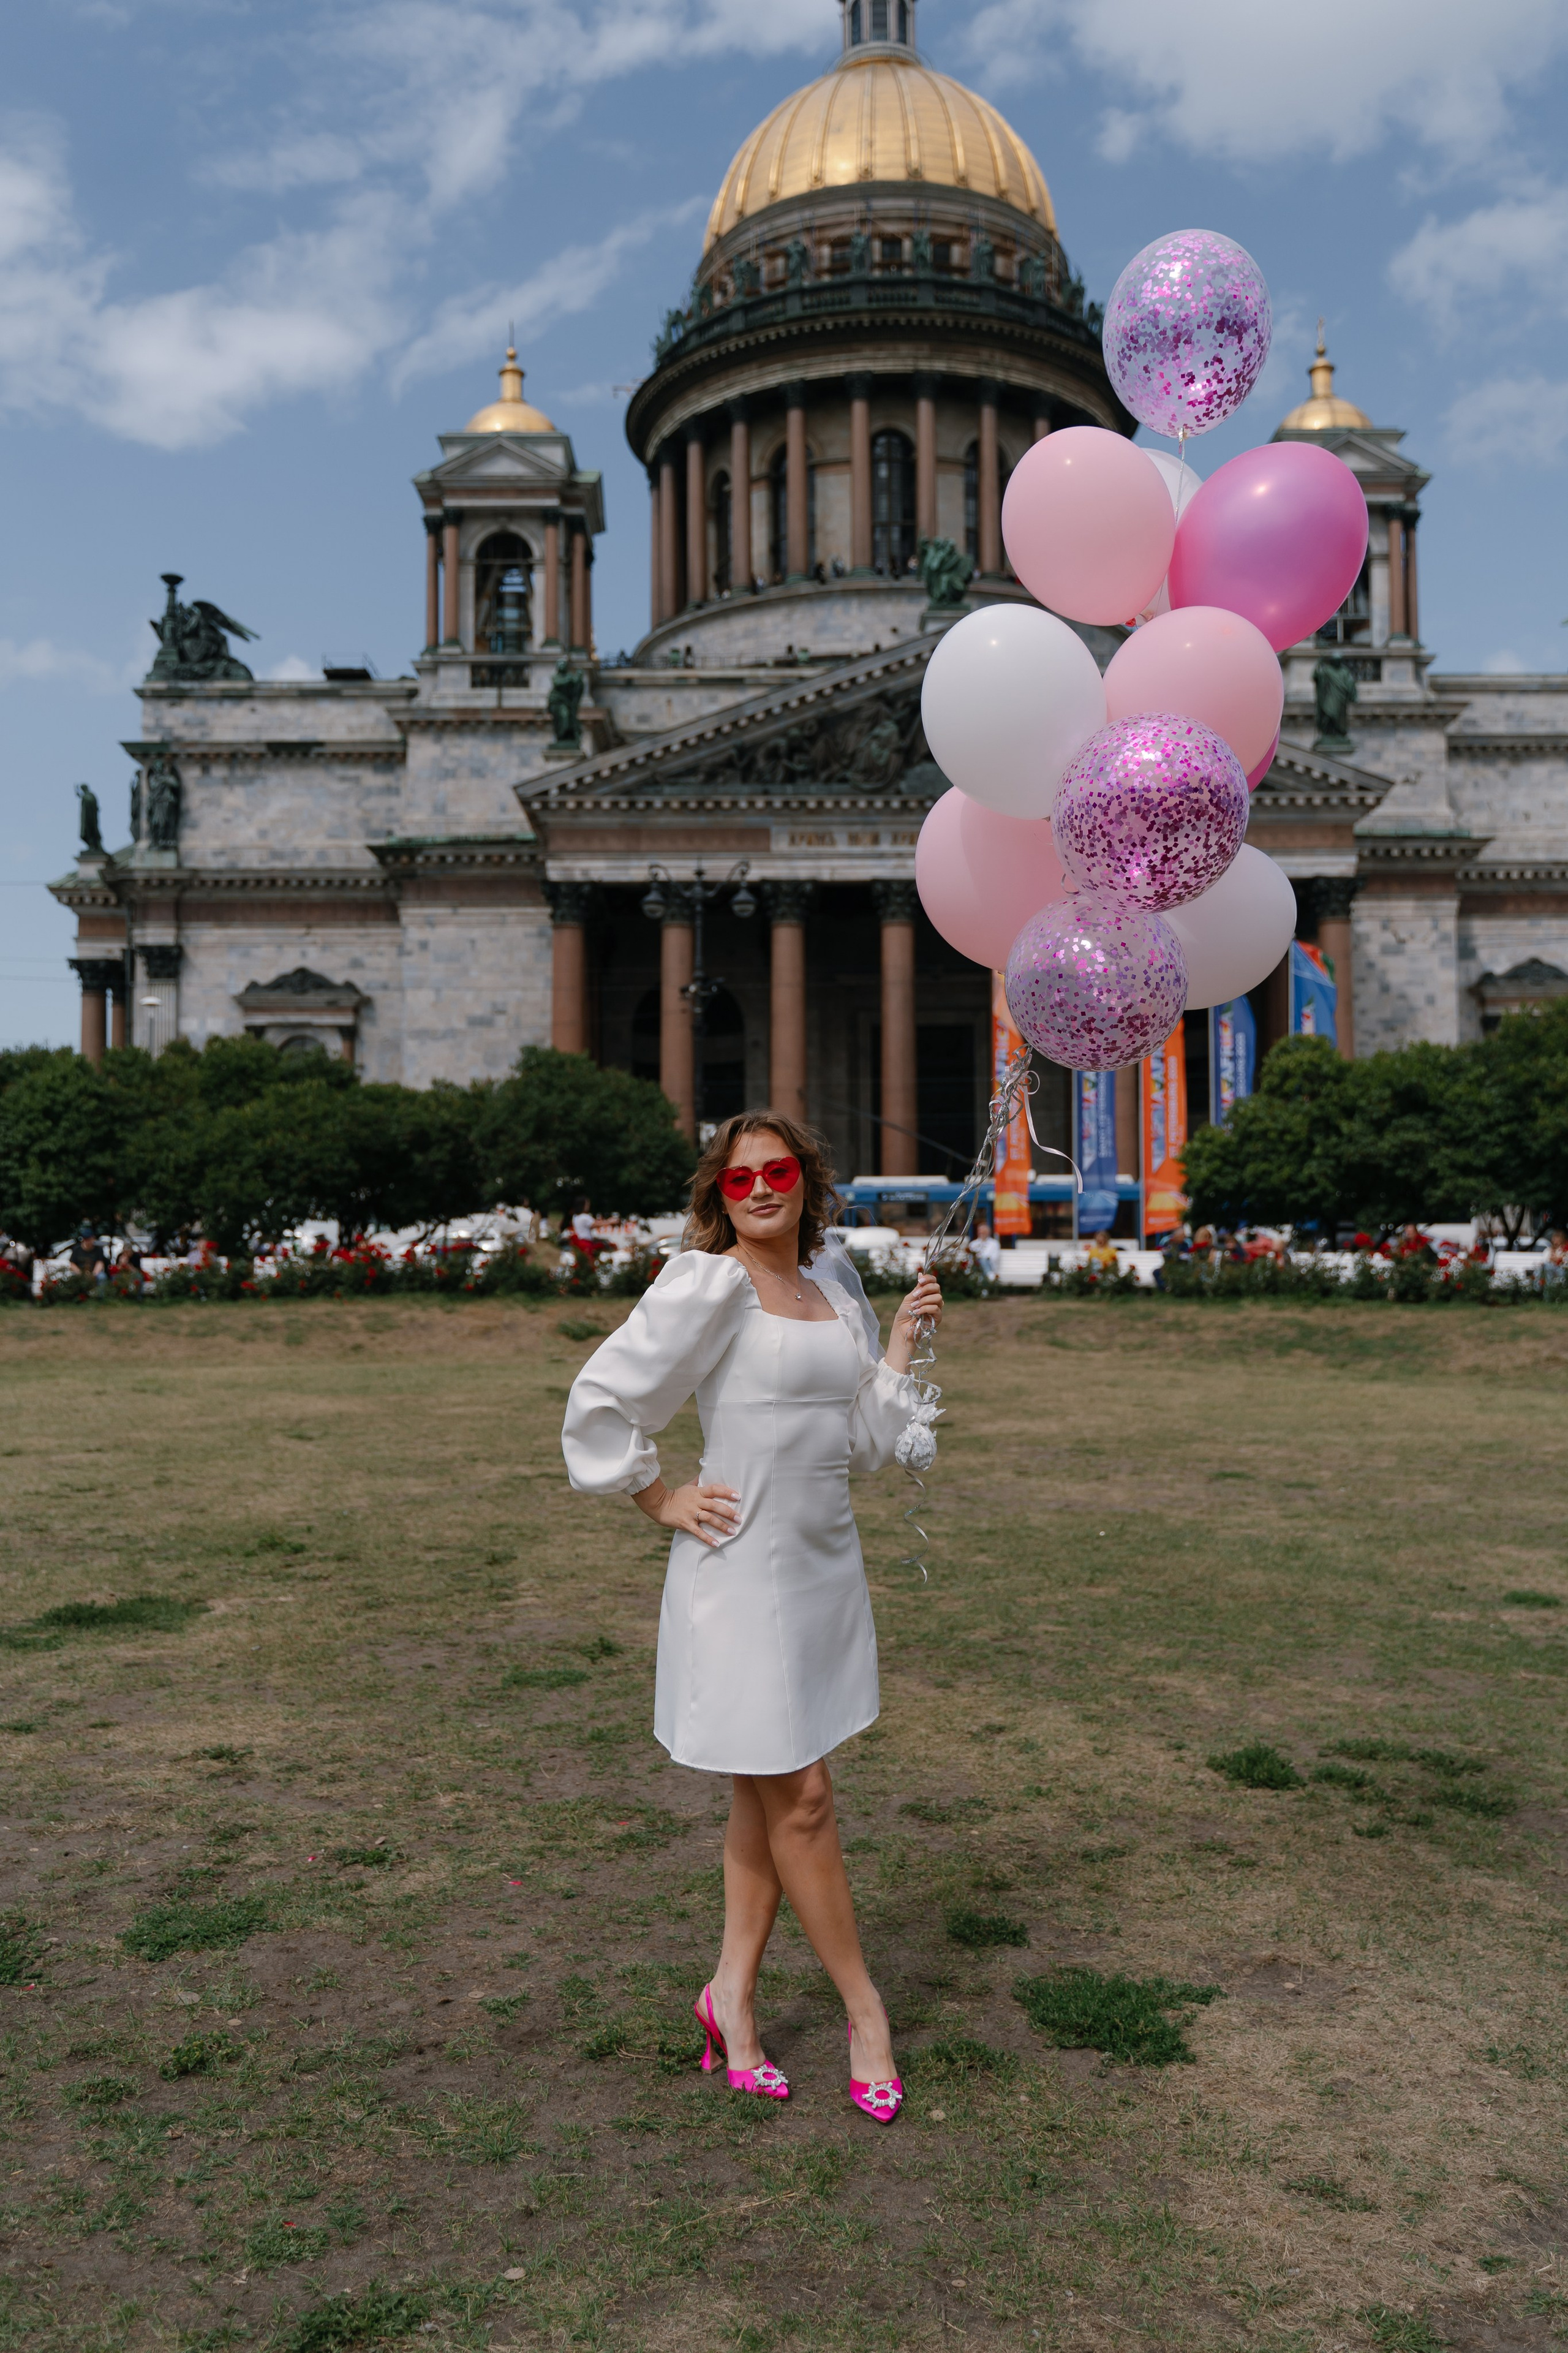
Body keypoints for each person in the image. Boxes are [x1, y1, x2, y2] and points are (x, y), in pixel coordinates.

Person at [561, 1111, 941, 2126]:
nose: (762, 1189)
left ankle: (728, 1996)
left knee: (764, 1797)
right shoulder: (710, 1282)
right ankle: (867, 2013)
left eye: (779, 1172)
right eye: (740, 1180)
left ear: (808, 1181)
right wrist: (658, 1497)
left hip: (823, 1568)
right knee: (805, 1798)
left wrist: (900, 1345)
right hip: (739, 1575)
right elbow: (606, 1396)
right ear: (718, 1195)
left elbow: (863, 1446)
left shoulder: (837, 1287)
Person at [970, 1216, 1001, 1282]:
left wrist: (983, 1258)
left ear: (988, 1233)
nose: (981, 1233)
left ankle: (985, 1282)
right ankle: (990, 1277)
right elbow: (970, 1257)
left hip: (990, 1265)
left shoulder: (994, 1243)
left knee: (983, 1260)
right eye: (980, 1232)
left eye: (984, 1232)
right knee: (981, 1261)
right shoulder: (973, 1244)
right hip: (976, 1265)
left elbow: (995, 1257)